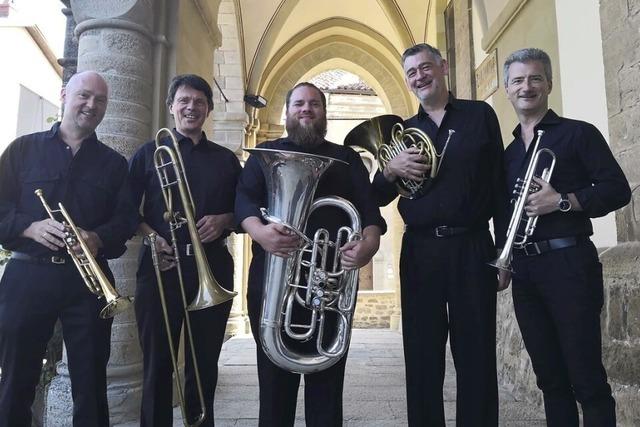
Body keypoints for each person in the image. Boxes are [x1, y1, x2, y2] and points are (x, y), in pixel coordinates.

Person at [371, 43, 509, 426]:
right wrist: (390, 169)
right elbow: (376, 196)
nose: (419, 76)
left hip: (472, 245)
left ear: (443, 67)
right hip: (420, 249)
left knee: (476, 352)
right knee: (421, 353)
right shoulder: (403, 132)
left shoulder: (479, 115)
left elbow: (498, 185)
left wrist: (504, 251)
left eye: (425, 67)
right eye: (412, 72)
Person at [235, 82, 386, 427]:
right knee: (273, 390)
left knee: (327, 388)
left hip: (328, 285)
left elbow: (369, 212)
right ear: (287, 112)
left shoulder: (347, 159)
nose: (306, 109)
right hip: (272, 283)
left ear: (324, 113)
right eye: (299, 104)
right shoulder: (264, 153)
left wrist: (368, 244)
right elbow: (243, 200)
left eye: (314, 104)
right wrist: (259, 232)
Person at [502, 47, 630, 427]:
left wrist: (563, 202)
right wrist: (503, 257)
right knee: (550, 380)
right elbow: (504, 213)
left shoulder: (577, 134)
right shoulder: (508, 154)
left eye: (535, 78)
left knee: (586, 378)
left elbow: (616, 189)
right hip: (524, 271)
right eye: (519, 80)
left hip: (570, 264)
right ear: (508, 89)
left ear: (549, 84)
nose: (527, 87)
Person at [0, 71, 136, 427]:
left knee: (91, 383)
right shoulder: (23, 150)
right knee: (16, 377)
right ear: (64, 94)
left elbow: (125, 221)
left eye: (100, 100)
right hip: (28, 274)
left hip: (87, 285)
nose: (91, 105)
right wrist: (30, 226)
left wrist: (97, 237)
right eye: (84, 96)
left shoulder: (113, 164)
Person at [129, 74, 241, 427]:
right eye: (184, 100)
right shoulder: (149, 154)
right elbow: (125, 210)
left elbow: (247, 210)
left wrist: (224, 220)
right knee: (157, 365)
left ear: (208, 109)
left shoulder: (225, 160)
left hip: (212, 267)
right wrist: (151, 236)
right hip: (161, 268)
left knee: (204, 364)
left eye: (199, 102)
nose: (191, 107)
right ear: (171, 106)